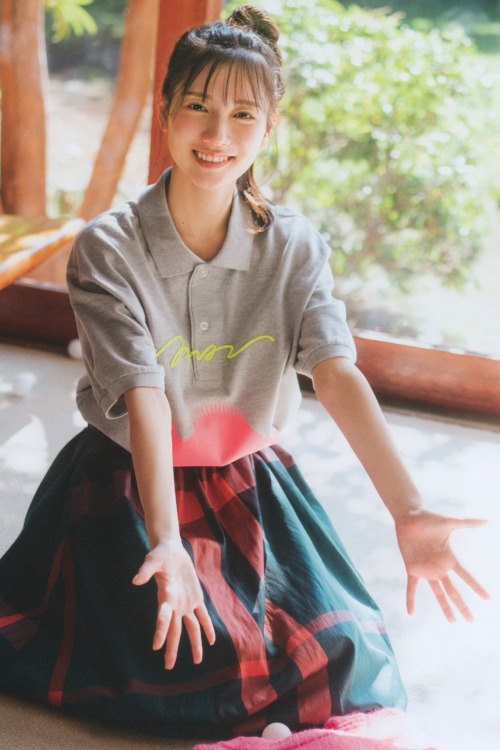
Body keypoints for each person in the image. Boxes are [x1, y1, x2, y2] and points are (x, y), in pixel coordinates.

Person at [0, 5, 489, 742]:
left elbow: (337, 372)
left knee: (334, 656)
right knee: (178, 675)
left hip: (250, 482)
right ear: (166, 109)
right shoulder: (109, 246)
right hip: (131, 481)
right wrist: (165, 541)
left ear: (269, 126)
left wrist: (407, 509)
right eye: (197, 106)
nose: (217, 134)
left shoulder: (293, 245)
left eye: (242, 114)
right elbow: (144, 397)